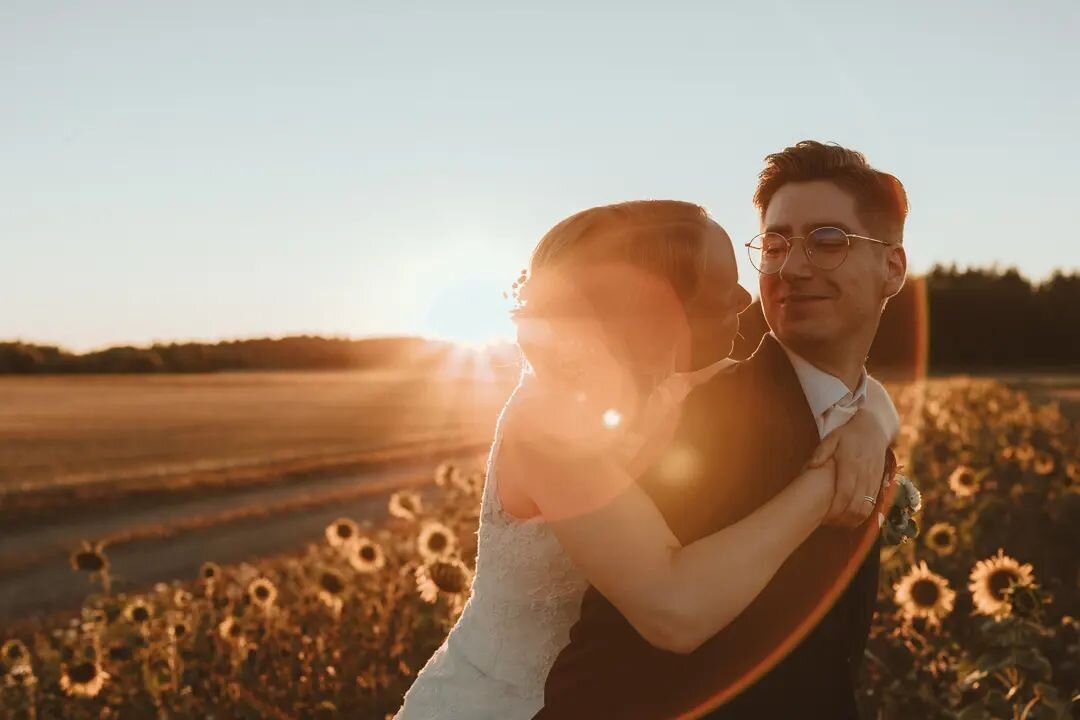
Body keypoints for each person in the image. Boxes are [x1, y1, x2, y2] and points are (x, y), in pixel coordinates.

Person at [394, 196, 900, 719]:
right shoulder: (546, 422)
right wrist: (827, 484)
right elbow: (673, 609)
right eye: (721, 291)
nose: (746, 298)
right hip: (499, 705)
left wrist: (873, 422)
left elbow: (848, 391)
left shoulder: (678, 382)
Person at [536, 141, 909, 719]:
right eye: (777, 243)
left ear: (893, 267)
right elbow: (636, 641)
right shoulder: (695, 417)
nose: (792, 266)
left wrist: (876, 420)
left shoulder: (863, 419)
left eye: (828, 240)